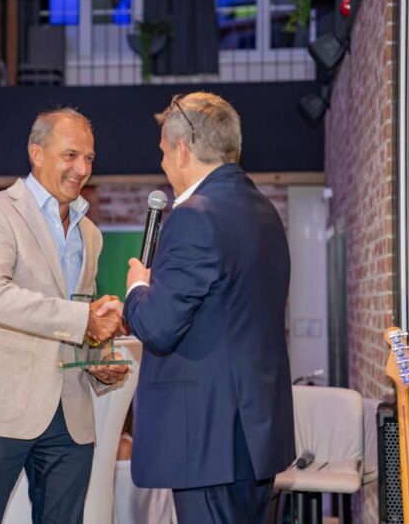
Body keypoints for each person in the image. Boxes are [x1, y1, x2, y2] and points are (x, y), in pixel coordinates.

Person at [0, 108, 128, 523]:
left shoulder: (90, 233)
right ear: (36, 154)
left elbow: (80, 311)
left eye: (89, 158)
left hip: (71, 415)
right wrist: (84, 319)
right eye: (70, 155)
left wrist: (100, 361)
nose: (82, 169)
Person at [118, 92, 295, 523]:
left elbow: (158, 326)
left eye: (163, 152)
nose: (163, 163)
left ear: (182, 150)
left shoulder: (194, 216)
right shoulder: (263, 210)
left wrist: (137, 288)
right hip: (254, 434)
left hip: (209, 440)